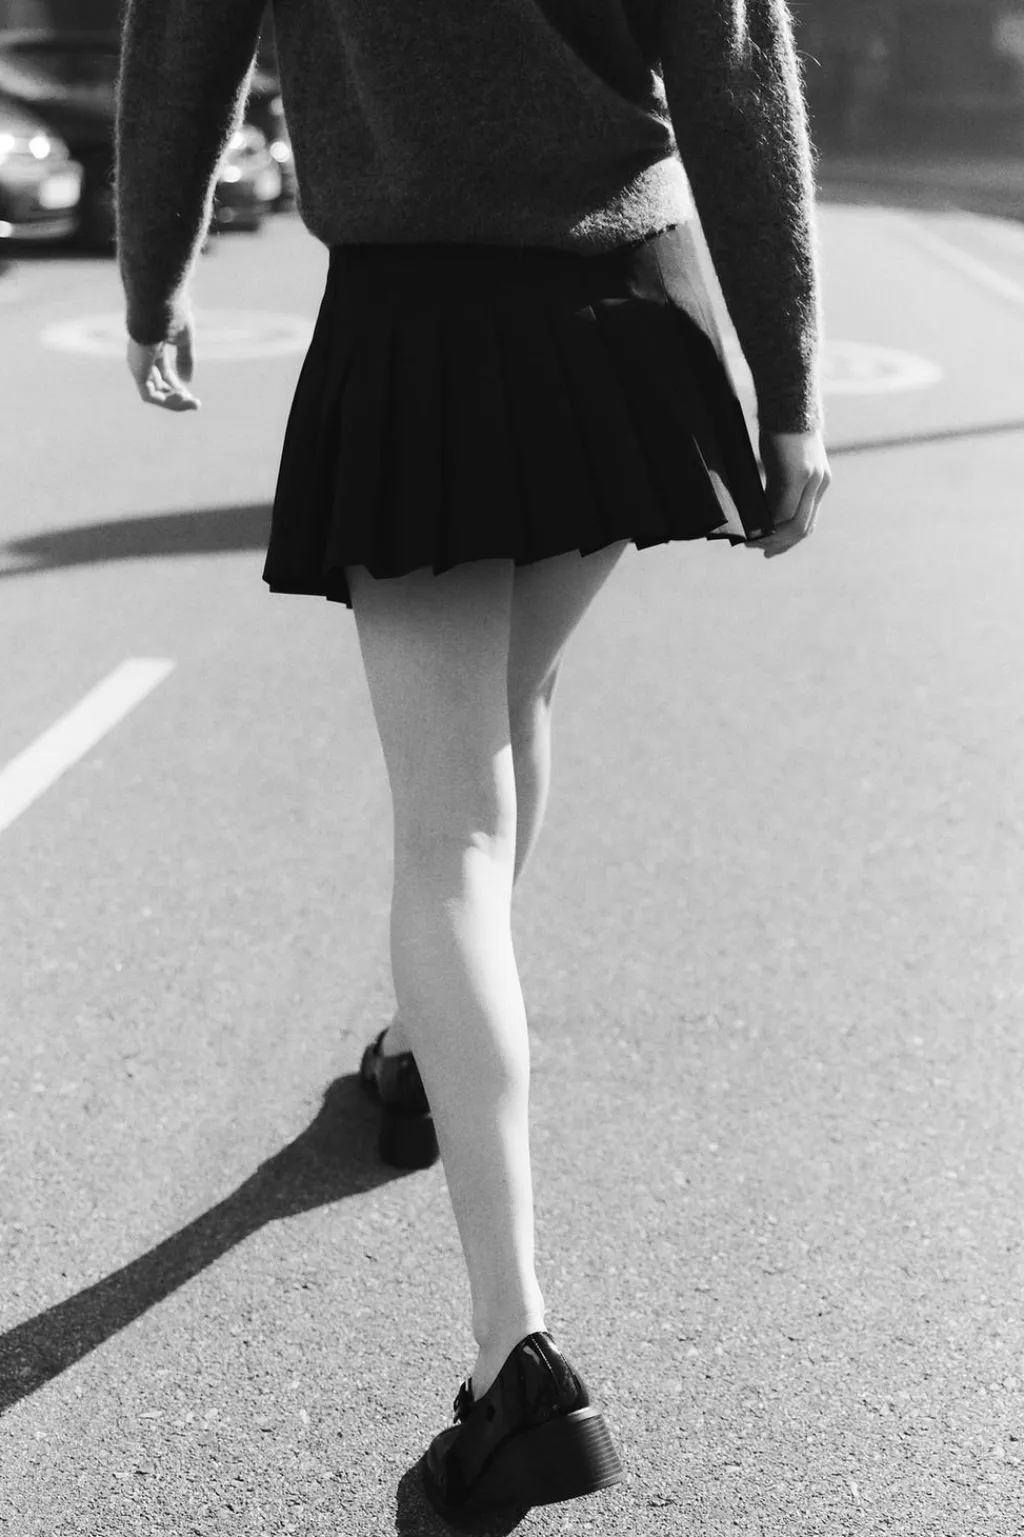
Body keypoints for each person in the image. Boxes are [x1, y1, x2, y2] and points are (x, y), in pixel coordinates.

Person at [115, 0, 832, 1522]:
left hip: (422, 324)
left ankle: (518, 1364)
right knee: (516, 702)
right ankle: (413, 1057)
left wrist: (154, 276)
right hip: (628, 310)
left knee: (449, 825)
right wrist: (792, 393)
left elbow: (184, 39)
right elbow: (736, 71)